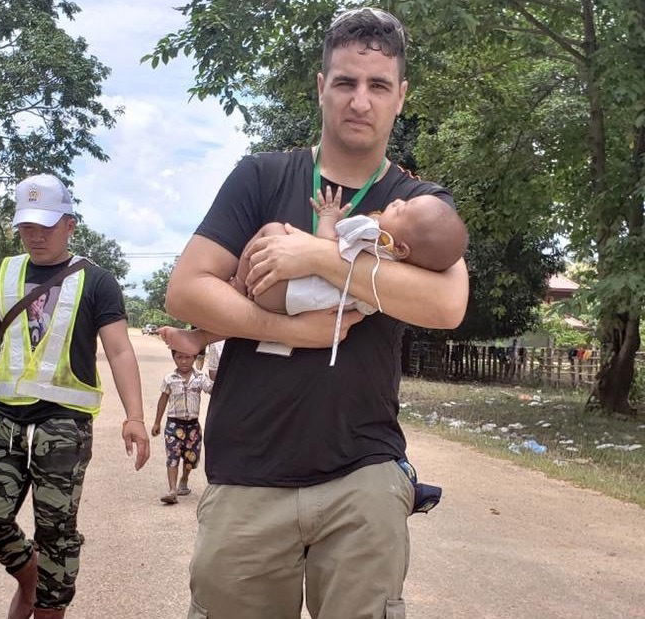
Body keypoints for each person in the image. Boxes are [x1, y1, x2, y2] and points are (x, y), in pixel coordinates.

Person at [165, 7, 469, 618]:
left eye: (379, 85)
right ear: (321, 86)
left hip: (363, 472)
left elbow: (446, 305)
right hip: (250, 471)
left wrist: (320, 257)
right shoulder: (260, 176)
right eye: (346, 82)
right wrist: (286, 331)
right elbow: (187, 289)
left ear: (401, 97)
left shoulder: (419, 204)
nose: (361, 100)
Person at [0, 173, 150, 619]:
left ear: (70, 224)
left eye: (46, 226)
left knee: (57, 532)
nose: (35, 236)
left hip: (64, 425)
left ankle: (49, 607)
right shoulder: (1, 273)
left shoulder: (98, 281)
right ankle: (31, 576)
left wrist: (136, 416)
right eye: (27, 227)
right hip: (3, 419)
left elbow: (120, 349)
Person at [160, 184, 467, 357]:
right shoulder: (398, 271)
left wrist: (329, 218)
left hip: (284, 289)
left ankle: (237, 286)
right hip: (302, 304)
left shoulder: (373, 239)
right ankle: (201, 337)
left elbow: (325, 245)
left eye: (403, 209)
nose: (398, 201)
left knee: (273, 229)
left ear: (400, 247)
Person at [151, 349, 213, 504]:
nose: (183, 361)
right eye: (179, 357)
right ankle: (172, 491)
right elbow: (163, 400)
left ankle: (184, 480)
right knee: (172, 457)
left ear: (194, 358)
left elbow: (212, 389)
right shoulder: (169, 379)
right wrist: (157, 422)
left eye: (187, 357)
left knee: (190, 458)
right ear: (174, 358)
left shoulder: (200, 378)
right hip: (173, 425)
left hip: (192, 427)